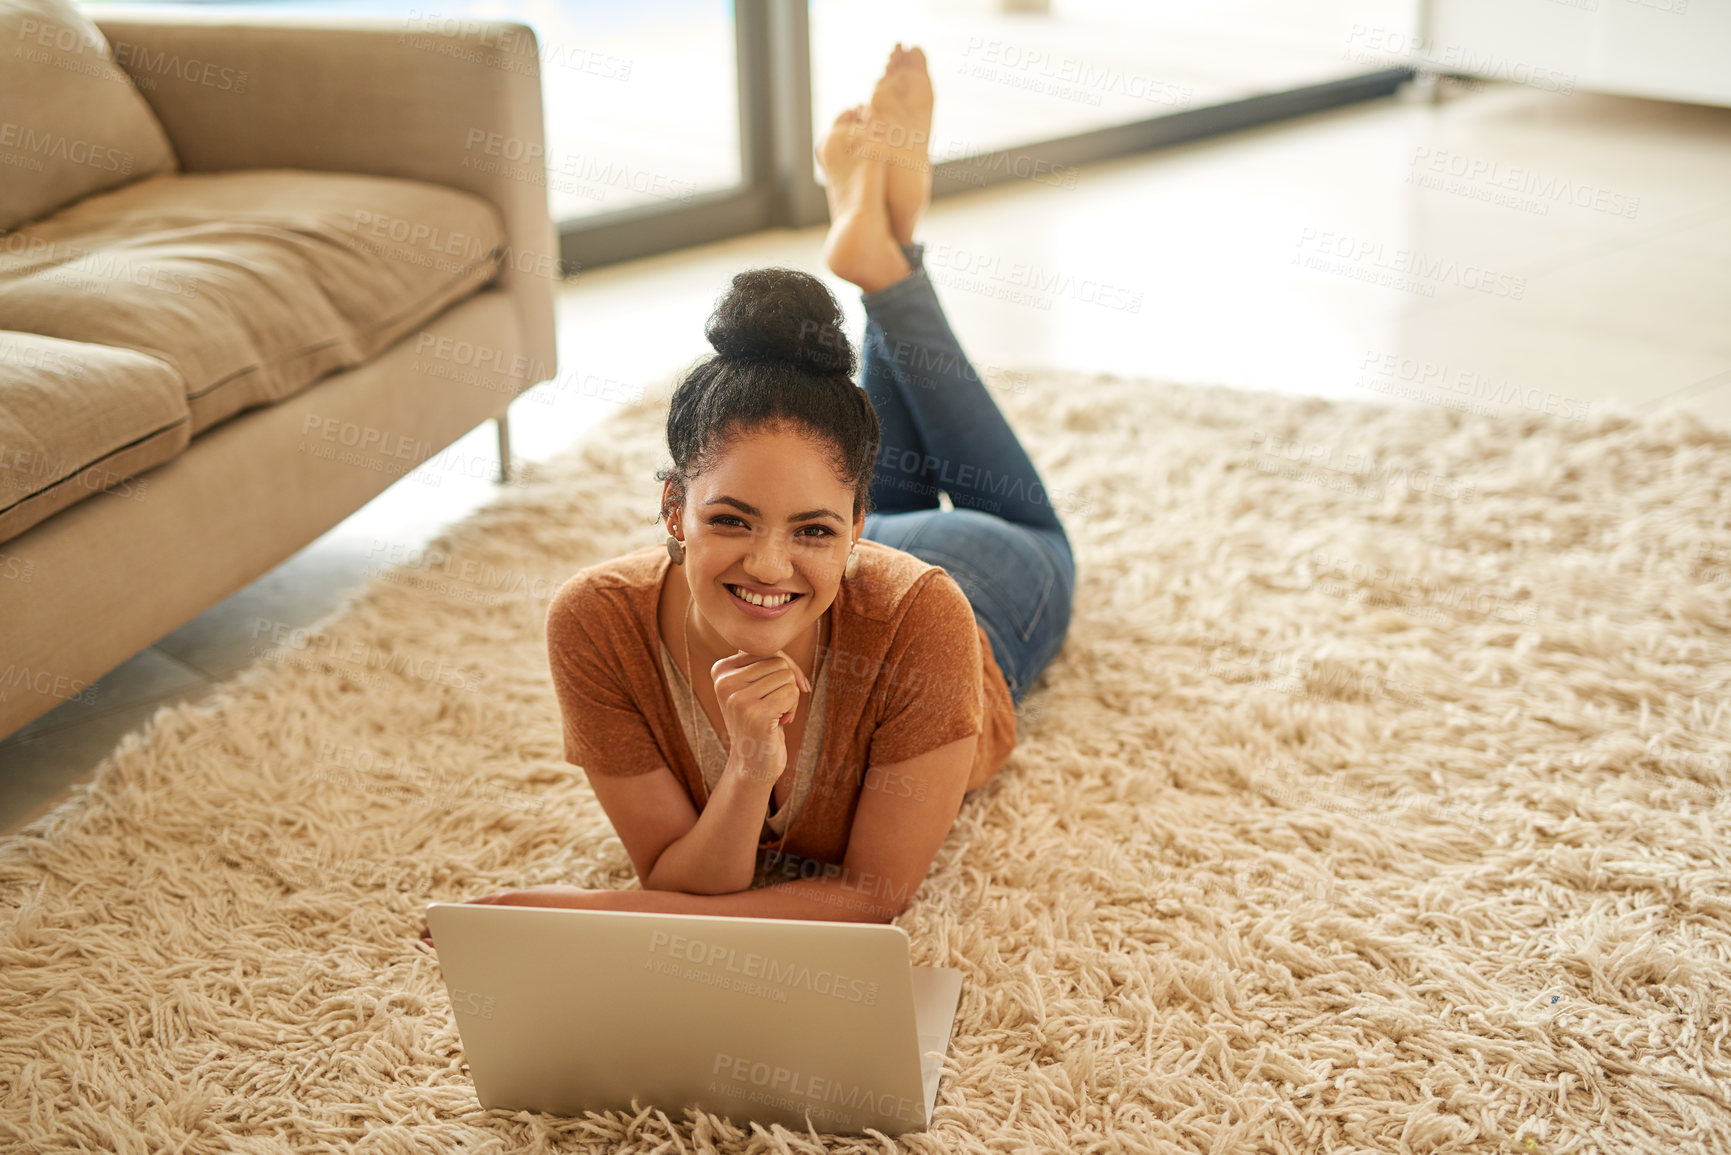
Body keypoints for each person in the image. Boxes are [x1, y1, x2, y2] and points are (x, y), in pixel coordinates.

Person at [436, 45, 1075, 932]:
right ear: (672, 509)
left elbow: (869, 896)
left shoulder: (928, 615)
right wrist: (745, 765)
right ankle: (885, 244)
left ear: (858, 526)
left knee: (1041, 539)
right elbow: (678, 875)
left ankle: (887, 256)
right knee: (826, 448)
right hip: (848, 555)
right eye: (729, 518)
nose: (766, 562)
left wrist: (586, 910)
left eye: (816, 528)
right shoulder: (594, 624)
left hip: (975, 577)